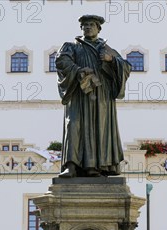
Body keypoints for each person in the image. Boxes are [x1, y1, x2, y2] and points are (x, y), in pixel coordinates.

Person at [55, 14, 131, 178]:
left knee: (99, 128)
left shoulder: (107, 49)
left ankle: (94, 167)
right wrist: (78, 70)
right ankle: (71, 166)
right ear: (81, 28)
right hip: (78, 93)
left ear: (98, 28)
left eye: (92, 25)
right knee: (74, 126)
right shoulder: (71, 46)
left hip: (101, 95)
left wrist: (111, 60)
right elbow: (62, 62)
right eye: (85, 25)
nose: (88, 27)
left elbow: (126, 67)